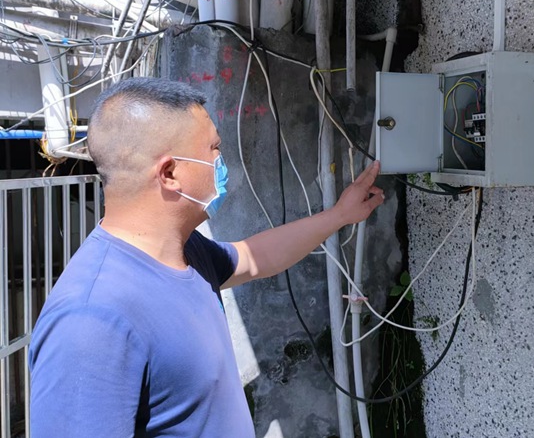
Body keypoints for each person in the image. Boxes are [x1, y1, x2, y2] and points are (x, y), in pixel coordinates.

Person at [28, 77, 384, 437]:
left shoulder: (185, 251)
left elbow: (254, 257)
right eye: (214, 148)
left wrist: (339, 216)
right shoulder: (92, 321)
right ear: (169, 173)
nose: (221, 161)